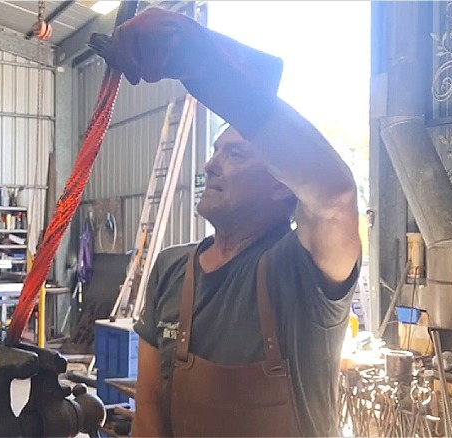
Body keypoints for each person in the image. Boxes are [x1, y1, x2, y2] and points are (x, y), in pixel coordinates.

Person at [92, 7, 362, 437]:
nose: (210, 165)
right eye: (215, 151)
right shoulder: (170, 269)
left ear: (282, 186)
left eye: (235, 154)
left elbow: (336, 196)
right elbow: (150, 407)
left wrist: (203, 65)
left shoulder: (302, 270)